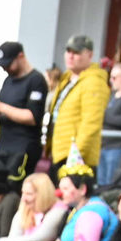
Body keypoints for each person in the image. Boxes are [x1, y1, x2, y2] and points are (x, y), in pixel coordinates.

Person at [41, 35, 108, 177]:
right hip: (59, 152)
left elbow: (91, 123)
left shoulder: (94, 82)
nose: (70, 56)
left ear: (89, 55)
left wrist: (75, 156)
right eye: (68, 51)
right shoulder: (67, 79)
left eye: (76, 52)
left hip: (75, 158)